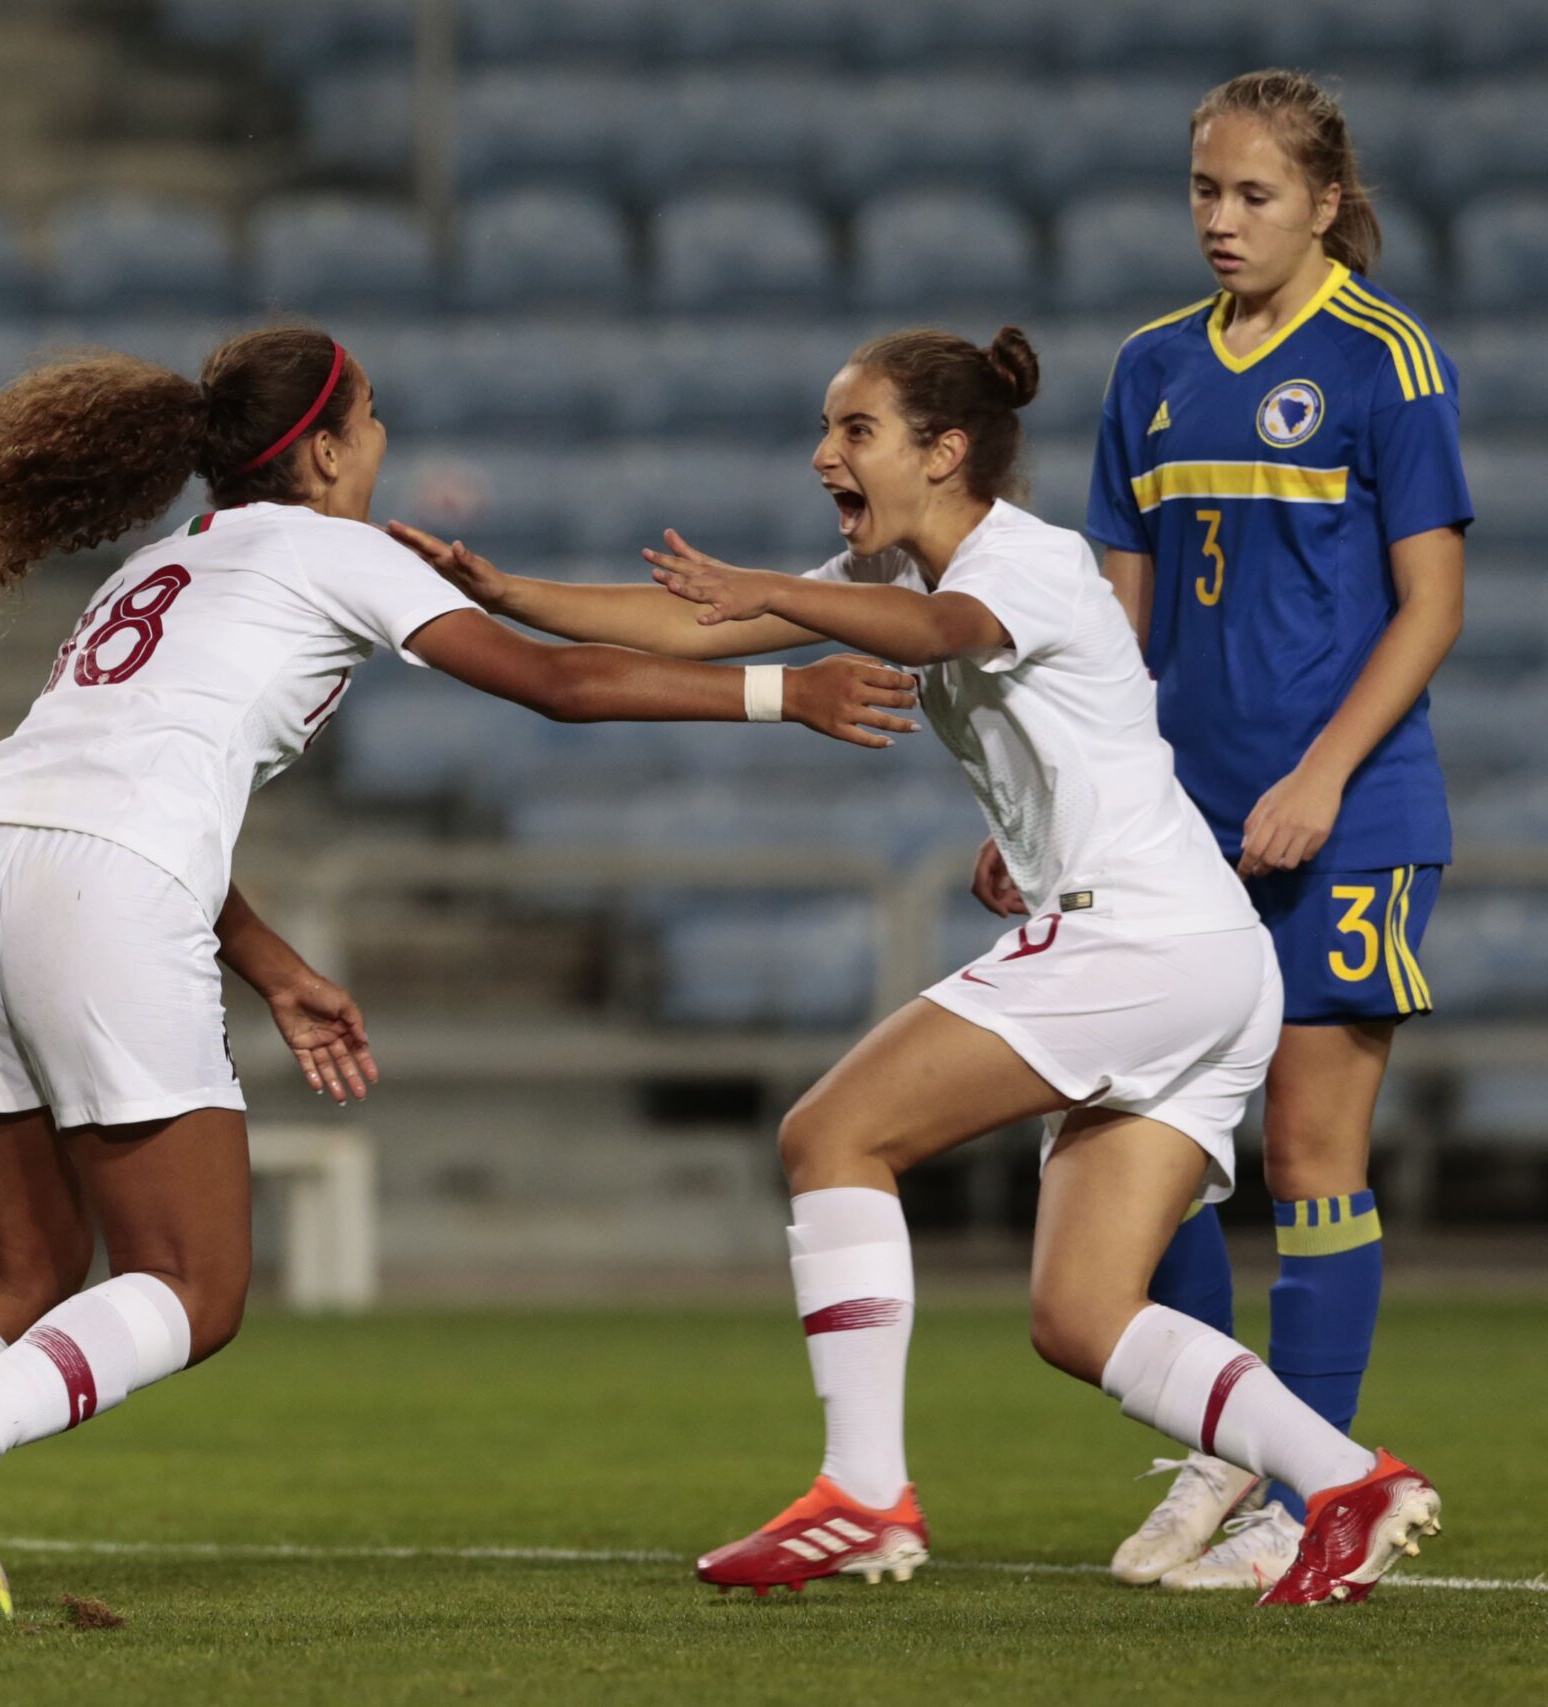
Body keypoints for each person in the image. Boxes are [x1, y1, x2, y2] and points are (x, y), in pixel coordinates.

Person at [0, 327, 920, 1622]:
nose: (382, 440)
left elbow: (110, 792)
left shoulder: (164, 561)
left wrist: (269, 963)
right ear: (322, 449)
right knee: (193, 1285)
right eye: (369, 417)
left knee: (23, 1256)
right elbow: (554, 681)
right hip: (102, 893)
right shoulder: (339, 548)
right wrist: (789, 693)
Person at [396, 325, 1442, 1607]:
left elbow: (935, 625)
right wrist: (501, 595)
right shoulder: (878, 575)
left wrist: (773, 593)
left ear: (946, 453)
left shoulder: (1032, 561)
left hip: (1141, 938)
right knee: (1082, 1317)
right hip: (1189, 953)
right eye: (829, 429)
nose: (824, 452)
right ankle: (1348, 1483)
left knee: (832, 1134)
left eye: (855, 431)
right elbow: (671, 630)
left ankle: (864, 1494)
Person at [1037, 69, 1470, 1593]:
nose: (1222, 222)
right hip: (1177, 823)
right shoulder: (1151, 368)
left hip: (1348, 816)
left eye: (1254, 196)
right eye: (1205, 194)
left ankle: (1315, 1505)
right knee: (1130, 1133)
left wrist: (1324, 778)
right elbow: (1112, 631)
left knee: (1307, 1150)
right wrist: (1061, 810)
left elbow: (1433, 605)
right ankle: (1232, 1441)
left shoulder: (1385, 357)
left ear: (1327, 203)